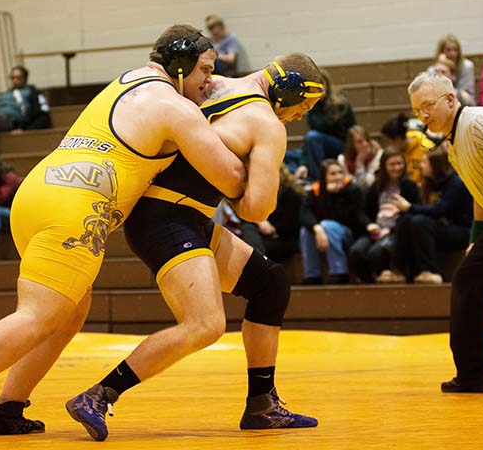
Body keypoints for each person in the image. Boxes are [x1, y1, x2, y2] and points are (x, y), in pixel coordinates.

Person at [0, 24, 247, 449]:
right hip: (76, 209)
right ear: (180, 66)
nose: (209, 81)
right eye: (204, 70)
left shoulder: (128, 80)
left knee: (70, 309)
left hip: (37, 194)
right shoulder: (176, 109)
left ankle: (7, 408)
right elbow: (232, 178)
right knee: (38, 312)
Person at [66, 53, 325, 441]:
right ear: (288, 90)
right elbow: (257, 209)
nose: (300, 116)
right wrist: (244, 180)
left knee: (270, 282)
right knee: (204, 325)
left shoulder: (215, 84)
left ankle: (262, 405)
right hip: (166, 219)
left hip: (174, 215)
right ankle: (99, 395)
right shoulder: (267, 124)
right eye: (303, 107)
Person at [408, 71, 483, 401]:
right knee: (467, 280)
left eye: (427, 106)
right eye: (417, 110)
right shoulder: (452, 142)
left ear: (450, 99)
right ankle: (474, 375)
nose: (423, 115)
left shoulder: (479, 121)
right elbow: (481, 189)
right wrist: (477, 235)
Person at [376, 146, 472, 284]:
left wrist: (409, 207)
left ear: (435, 165)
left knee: (419, 222)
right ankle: (397, 271)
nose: (420, 166)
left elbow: (439, 210)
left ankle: (429, 271)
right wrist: (405, 210)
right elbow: (428, 208)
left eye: (424, 162)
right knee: (405, 219)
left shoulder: (456, 183)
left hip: (460, 230)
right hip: (441, 226)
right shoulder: (430, 182)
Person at [349, 147, 420, 283]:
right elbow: (361, 211)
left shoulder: (409, 186)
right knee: (356, 252)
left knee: (375, 253)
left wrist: (390, 230)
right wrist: (369, 224)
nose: (396, 168)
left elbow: (413, 214)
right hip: (376, 230)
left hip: (396, 232)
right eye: (392, 164)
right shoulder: (377, 186)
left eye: (399, 164)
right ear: (384, 166)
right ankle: (368, 283)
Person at [299, 159, 369, 284]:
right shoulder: (315, 191)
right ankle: (312, 275)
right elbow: (304, 214)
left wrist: (335, 195)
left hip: (349, 235)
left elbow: (349, 217)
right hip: (323, 233)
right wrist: (317, 228)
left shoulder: (352, 190)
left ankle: (339, 272)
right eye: (333, 174)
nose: (338, 177)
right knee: (305, 231)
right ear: (323, 177)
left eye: (340, 172)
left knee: (327, 225)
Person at [295, 70, 356, 181]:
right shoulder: (314, 104)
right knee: (292, 154)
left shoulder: (340, 103)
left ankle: (317, 180)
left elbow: (322, 125)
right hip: (320, 144)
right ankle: (306, 171)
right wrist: (303, 163)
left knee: (312, 137)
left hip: (341, 145)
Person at [240, 164, 306, 263]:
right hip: (264, 235)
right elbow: (245, 215)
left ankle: (258, 267)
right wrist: (260, 222)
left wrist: (271, 229)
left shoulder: (291, 194)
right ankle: (258, 266)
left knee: (250, 246)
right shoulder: (261, 193)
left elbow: (290, 227)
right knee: (248, 228)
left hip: (286, 239)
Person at [380, 113, 435, 186]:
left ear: (398, 139)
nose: (387, 146)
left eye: (388, 142)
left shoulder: (427, 148)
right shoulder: (396, 152)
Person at [337, 124, 382, 190]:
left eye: (367, 140)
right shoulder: (342, 159)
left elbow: (366, 185)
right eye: (359, 142)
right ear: (352, 145)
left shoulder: (379, 155)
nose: (365, 144)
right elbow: (346, 183)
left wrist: (359, 163)